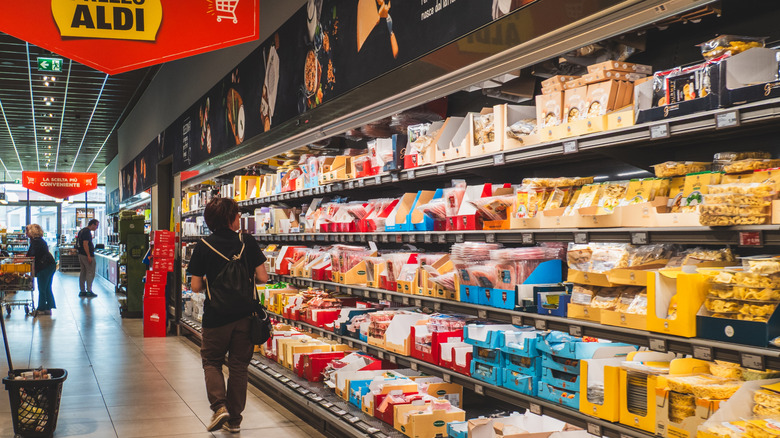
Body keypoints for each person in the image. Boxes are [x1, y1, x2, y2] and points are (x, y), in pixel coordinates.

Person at [187, 197, 268, 433]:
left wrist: (214, 282)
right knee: (239, 366)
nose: (239, 218)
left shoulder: (203, 245)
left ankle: (219, 406)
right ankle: (235, 419)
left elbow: (194, 286)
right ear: (231, 218)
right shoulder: (247, 241)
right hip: (246, 315)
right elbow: (263, 278)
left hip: (216, 316)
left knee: (211, 361)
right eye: (237, 214)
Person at [26, 224, 56, 316]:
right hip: (49, 265)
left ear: (32, 232)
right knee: (46, 288)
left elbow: (31, 255)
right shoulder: (40, 241)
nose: (26, 233)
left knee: (42, 288)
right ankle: (48, 307)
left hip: (44, 267)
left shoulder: (36, 242)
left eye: (27, 231)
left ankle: (41, 308)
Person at [77, 219, 99, 298]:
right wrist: (89, 255)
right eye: (96, 225)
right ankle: (89, 290)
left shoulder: (82, 231)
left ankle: (82, 290)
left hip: (81, 254)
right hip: (86, 255)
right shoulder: (87, 232)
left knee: (83, 272)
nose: (97, 227)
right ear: (92, 224)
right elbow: (85, 244)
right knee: (90, 272)